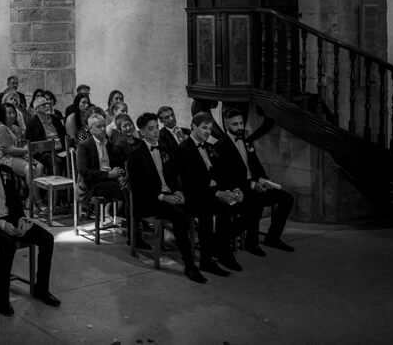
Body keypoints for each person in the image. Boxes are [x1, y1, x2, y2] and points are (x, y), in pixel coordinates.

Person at [0, 133, 61, 316]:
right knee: (8, 244)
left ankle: (41, 288)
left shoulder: (7, 171)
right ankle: (2, 298)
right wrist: (1, 224)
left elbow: (15, 202)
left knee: (47, 238)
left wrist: (22, 220)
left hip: (10, 219)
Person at [126, 112, 212, 284]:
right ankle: (189, 266)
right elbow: (138, 187)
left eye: (157, 127)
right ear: (142, 132)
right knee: (178, 214)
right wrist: (162, 197)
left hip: (169, 194)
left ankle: (206, 260)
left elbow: (174, 175)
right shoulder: (136, 154)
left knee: (204, 208)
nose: (155, 131)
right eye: (151, 129)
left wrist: (178, 191)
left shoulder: (165, 148)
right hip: (150, 200)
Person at [220, 108, 295, 253]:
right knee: (257, 202)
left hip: (255, 183)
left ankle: (273, 238)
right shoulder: (222, 145)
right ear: (226, 124)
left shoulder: (246, 140)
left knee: (287, 199)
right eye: (235, 124)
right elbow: (229, 177)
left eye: (241, 123)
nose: (240, 127)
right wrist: (253, 185)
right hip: (239, 188)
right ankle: (250, 243)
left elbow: (255, 164)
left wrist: (265, 180)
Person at [177, 112, 244, 273]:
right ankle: (205, 261)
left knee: (228, 207)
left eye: (209, 128)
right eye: (204, 128)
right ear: (194, 127)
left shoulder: (210, 147)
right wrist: (216, 193)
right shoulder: (183, 149)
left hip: (210, 192)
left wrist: (233, 188)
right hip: (192, 194)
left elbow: (221, 173)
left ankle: (224, 253)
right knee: (206, 210)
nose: (207, 132)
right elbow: (190, 181)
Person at [76, 112, 125, 207]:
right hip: (93, 183)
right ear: (91, 129)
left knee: (128, 186)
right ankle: (109, 213)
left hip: (111, 179)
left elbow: (117, 164)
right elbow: (84, 172)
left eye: (104, 126)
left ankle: (114, 213)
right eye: (99, 127)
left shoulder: (109, 144)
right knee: (117, 189)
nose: (103, 129)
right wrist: (108, 174)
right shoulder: (84, 146)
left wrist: (120, 176)